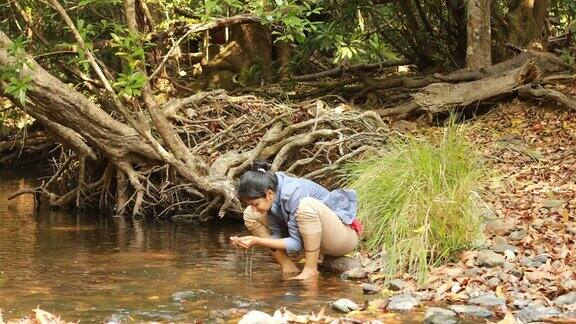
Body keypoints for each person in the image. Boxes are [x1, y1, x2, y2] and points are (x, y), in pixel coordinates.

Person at [230, 160, 362, 280]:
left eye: (255, 204)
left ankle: (310, 270)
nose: (254, 209)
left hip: (342, 238)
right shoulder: (273, 193)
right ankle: (288, 267)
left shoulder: (293, 191)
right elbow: (278, 236)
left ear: (269, 194)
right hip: (313, 241)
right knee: (249, 214)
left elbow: (295, 244)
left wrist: (257, 241)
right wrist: (249, 242)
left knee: (306, 205)